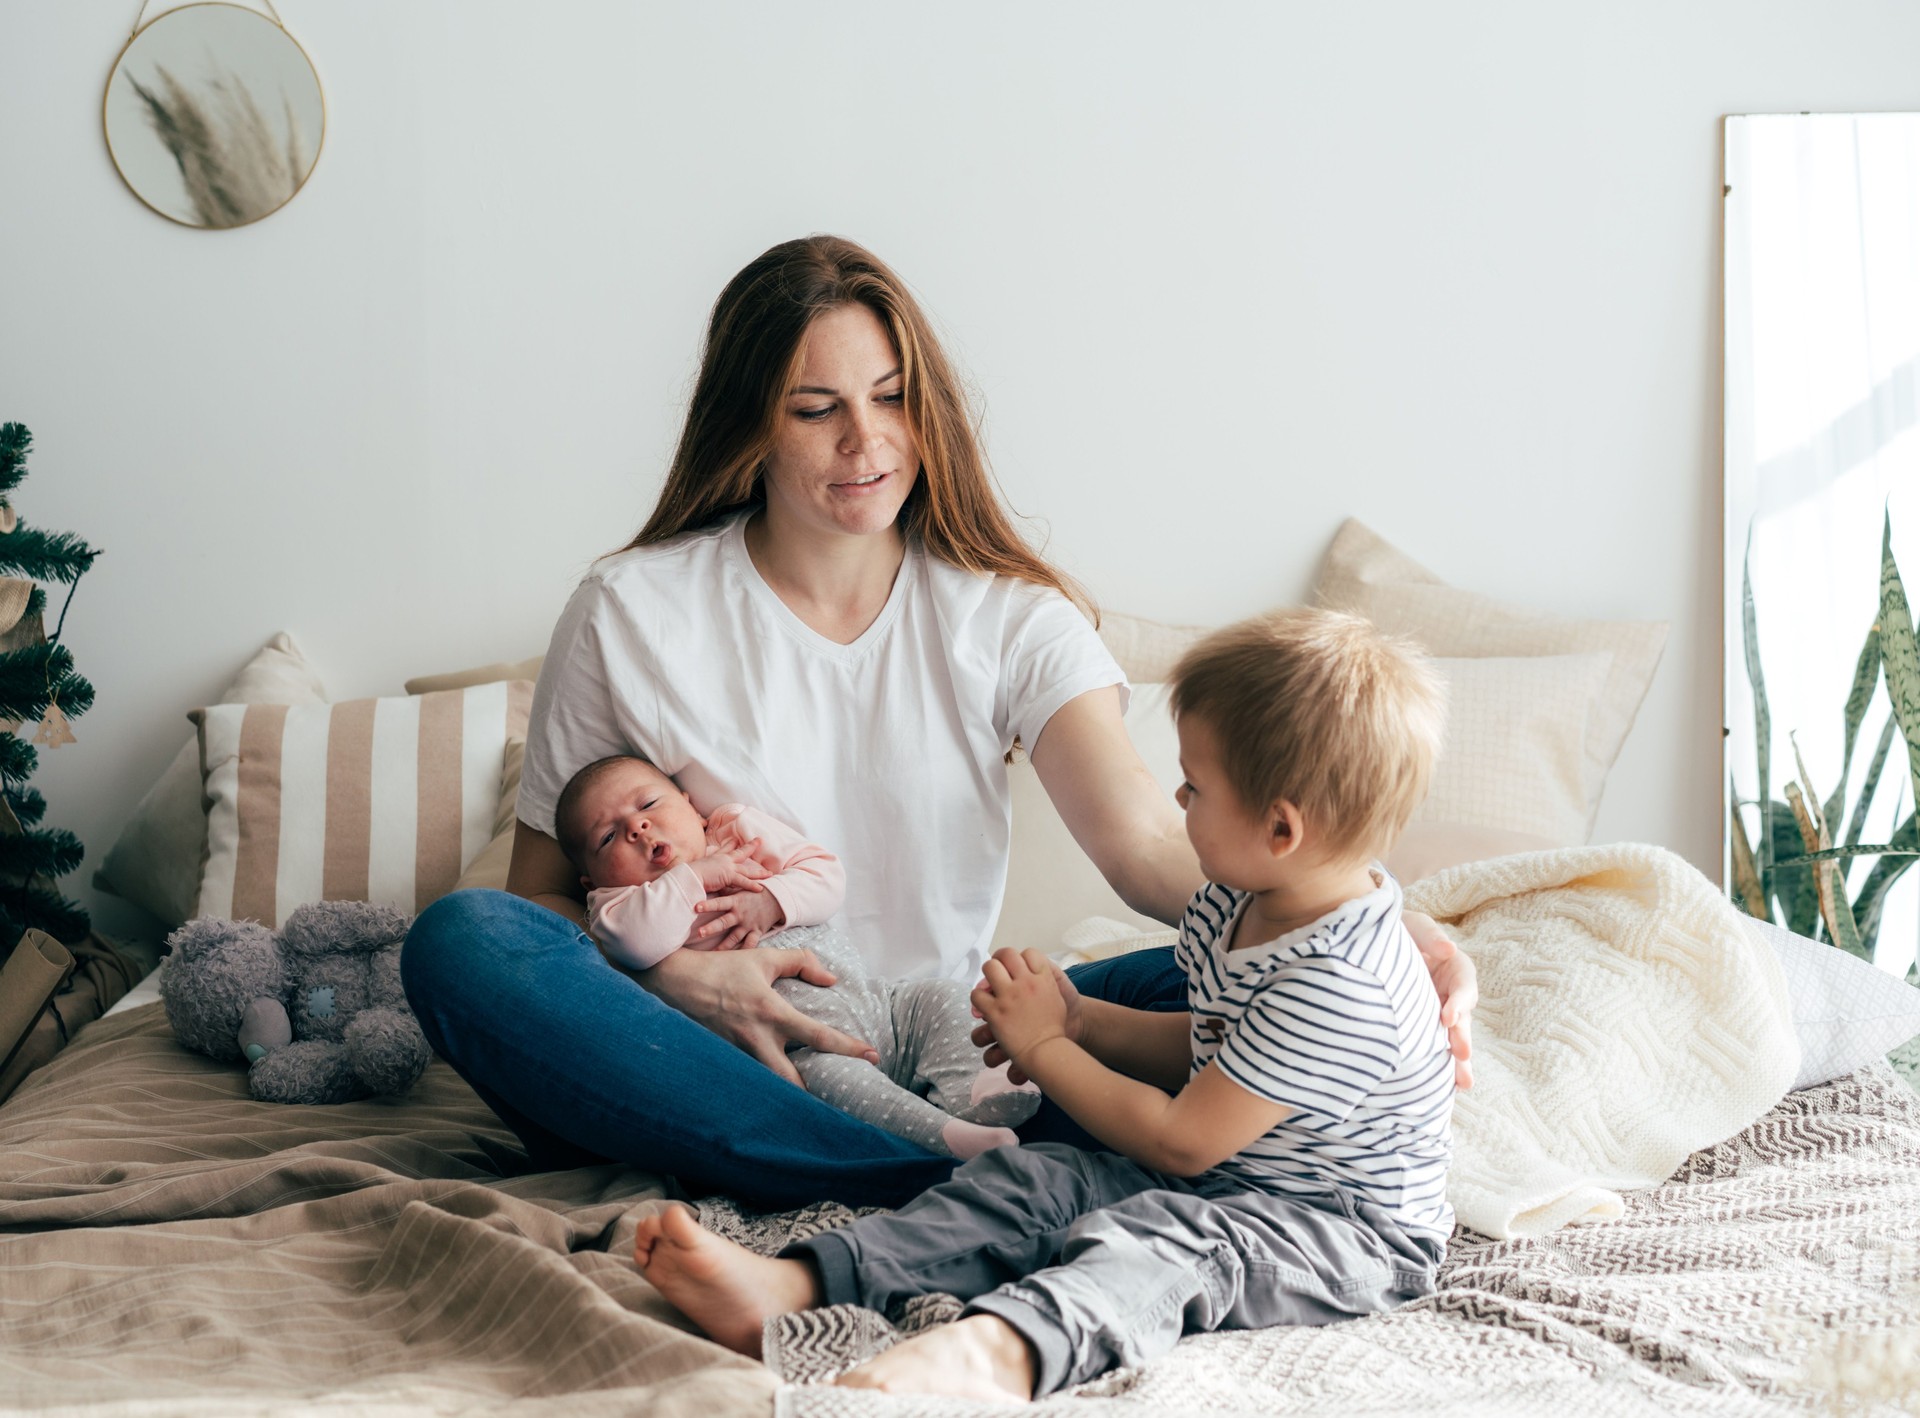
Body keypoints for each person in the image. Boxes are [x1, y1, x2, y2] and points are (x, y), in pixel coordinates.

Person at [400, 234, 1478, 1212]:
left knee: (1192, 980)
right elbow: (538, 902)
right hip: (711, 1045)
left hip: (952, 1042)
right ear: (751, 422)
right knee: (464, 943)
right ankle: (942, 1178)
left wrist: (1365, 929)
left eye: (891, 396)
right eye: (816, 407)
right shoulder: (628, 609)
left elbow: (1150, 847)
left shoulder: (1009, 614)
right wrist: (674, 973)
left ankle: (896, 1163)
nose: (865, 441)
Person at [632, 607, 1455, 1402]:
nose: (1178, 803)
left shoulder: (1340, 984)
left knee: (1173, 1250)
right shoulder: (1237, 902)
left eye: (1195, 788)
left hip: (1336, 1230)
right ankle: (798, 1283)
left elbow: (1183, 1142)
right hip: (1239, 1174)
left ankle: (999, 1353)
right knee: (1035, 1180)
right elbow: (1207, 1049)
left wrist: (1050, 1053)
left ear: (1281, 830)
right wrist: (1080, 1022)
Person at [557, 753, 1037, 1158]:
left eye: (649, 804)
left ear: (690, 805)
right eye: (608, 837)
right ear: (592, 881)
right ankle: (944, 1138)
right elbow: (640, 942)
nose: (638, 827)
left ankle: (979, 1094)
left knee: (943, 998)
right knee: (827, 1087)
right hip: (796, 1047)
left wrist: (770, 902)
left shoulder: (734, 828)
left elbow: (827, 876)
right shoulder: (617, 907)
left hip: (880, 1002)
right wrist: (696, 876)